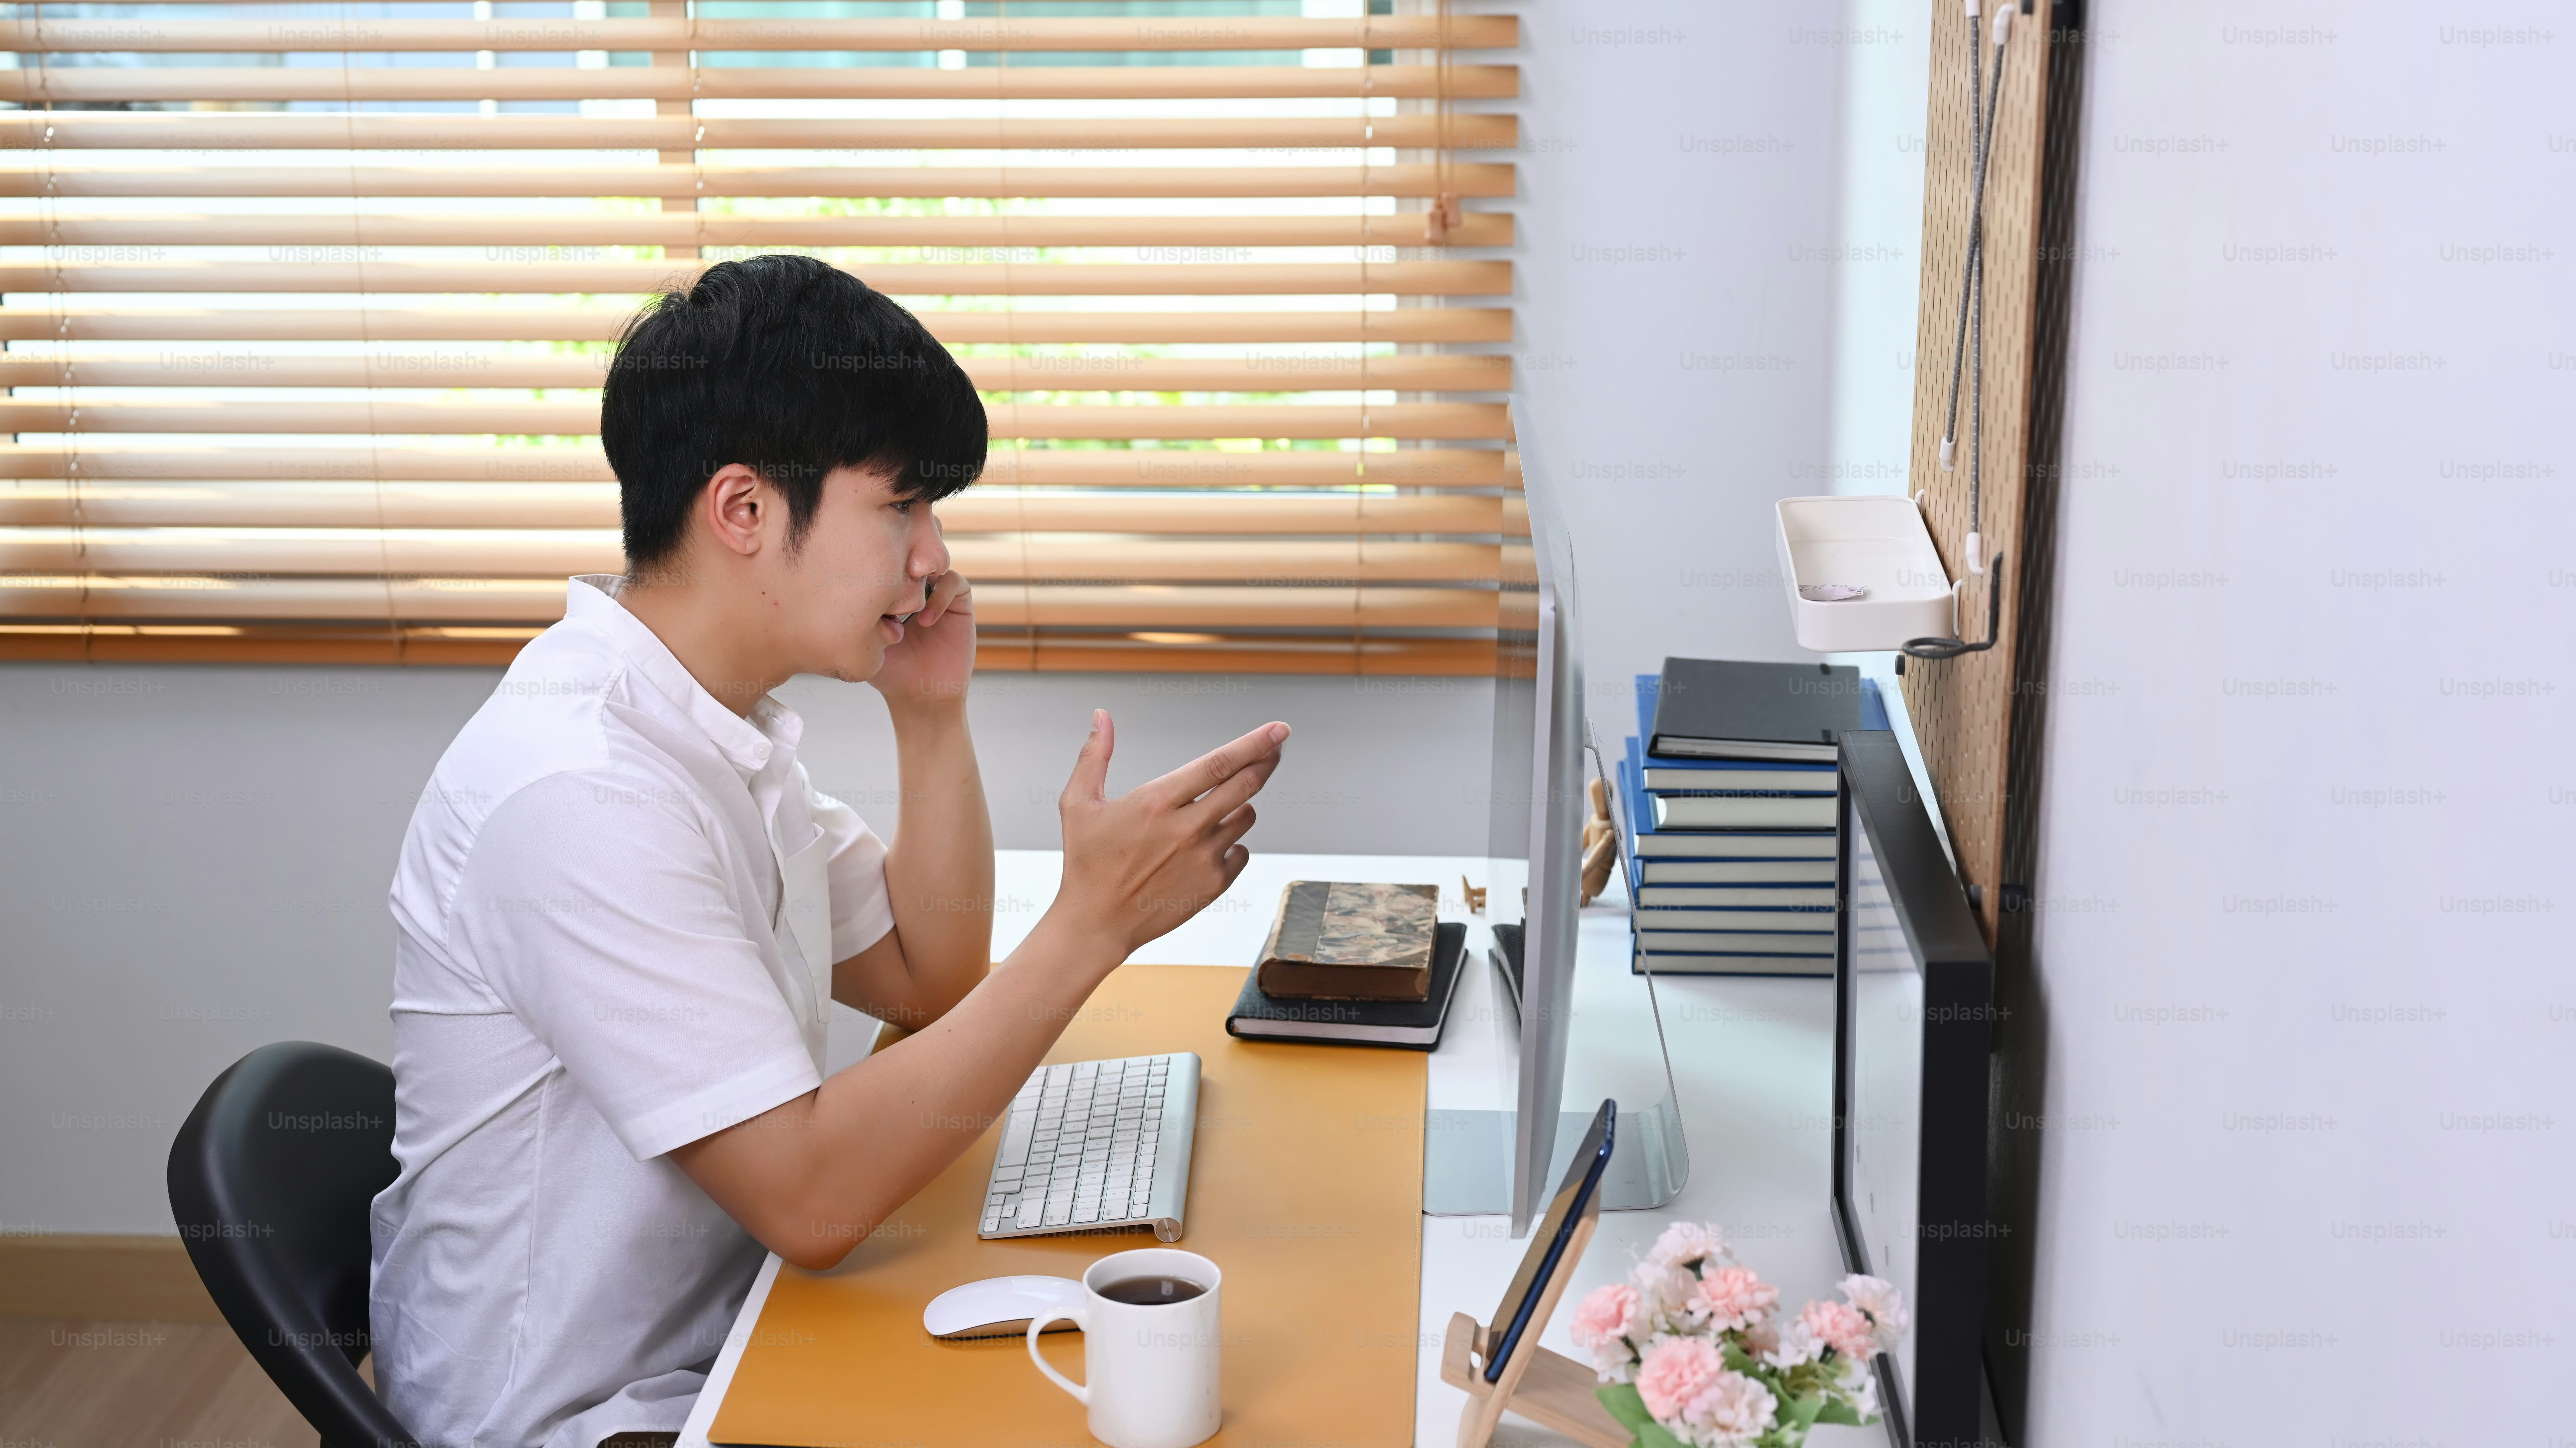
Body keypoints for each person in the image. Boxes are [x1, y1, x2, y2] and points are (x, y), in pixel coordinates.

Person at [370, 255, 1288, 1448]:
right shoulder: (584, 792)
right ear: (745, 511)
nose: (933, 555)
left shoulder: (713, 724)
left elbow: (926, 973)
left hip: (731, 1333)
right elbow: (811, 1199)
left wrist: (930, 710)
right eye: (900, 506)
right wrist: (1095, 923)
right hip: (586, 1418)